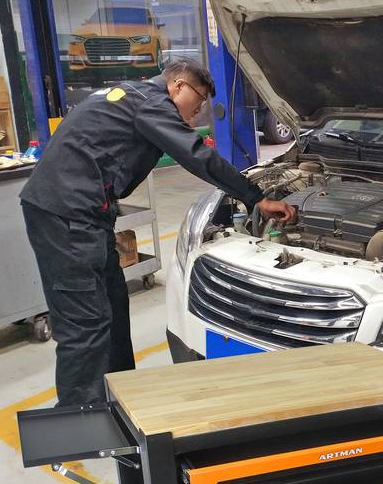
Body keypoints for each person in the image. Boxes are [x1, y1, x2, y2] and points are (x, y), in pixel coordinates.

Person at [20, 59, 295, 406]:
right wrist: (255, 197)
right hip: (66, 217)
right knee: (84, 322)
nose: (193, 118)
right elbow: (195, 155)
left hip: (81, 213)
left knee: (113, 305)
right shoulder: (152, 103)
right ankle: (79, 421)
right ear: (178, 86)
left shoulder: (131, 95)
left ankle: (121, 398)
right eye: (194, 108)